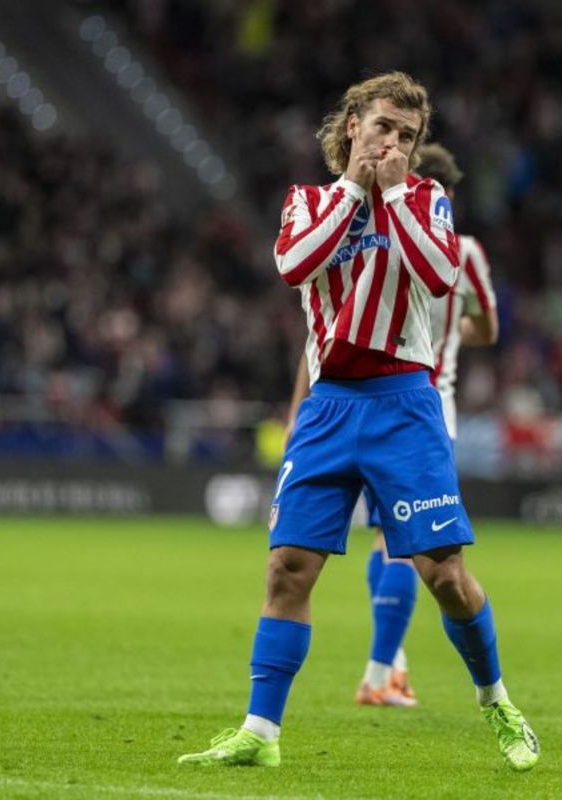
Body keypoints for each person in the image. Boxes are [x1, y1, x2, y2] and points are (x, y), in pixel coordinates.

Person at [178, 72, 538, 770]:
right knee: (287, 567)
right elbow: (293, 265)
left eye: (407, 135)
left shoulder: (428, 201)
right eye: (382, 128)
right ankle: (260, 731)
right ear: (352, 126)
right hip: (329, 405)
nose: (394, 143)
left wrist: (396, 192)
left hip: (405, 401)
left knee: (443, 575)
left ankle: (497, 700)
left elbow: (438, 277)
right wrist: (354, 190)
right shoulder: (308, 202)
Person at [282, 143, 498, 708]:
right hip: (425, 400)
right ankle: (385, 668)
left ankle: (385, 668)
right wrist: (447, 340)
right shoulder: (464, 247)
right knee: (396, 548)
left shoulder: (393, 228)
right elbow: (487, 328)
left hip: (409, 403)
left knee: (404, 551)